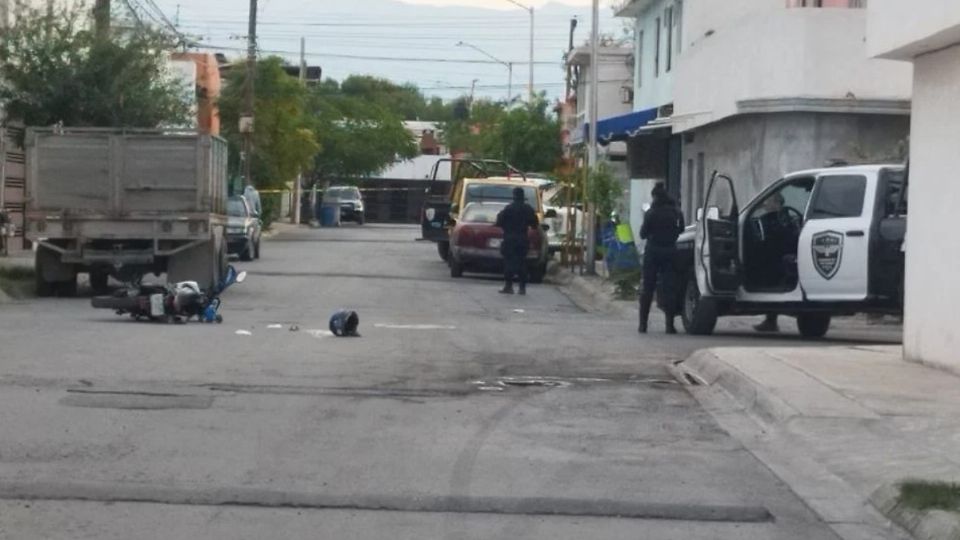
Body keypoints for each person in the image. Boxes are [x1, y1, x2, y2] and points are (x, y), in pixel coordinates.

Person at [639, 183, 684, 334]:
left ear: (655, 197)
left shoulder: (651, 213)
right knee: (670, 288)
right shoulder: (676, 212)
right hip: (670, 251)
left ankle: (643, 324)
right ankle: (669, 325)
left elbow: (643, 234)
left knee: (648, 288)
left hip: (653, 251)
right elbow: (681, 230)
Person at [495, 187, 539, 295]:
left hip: (509, 239)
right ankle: (522, 288)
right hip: (522, 239)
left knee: (509, 262)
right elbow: (534, 224)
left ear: (514, 196)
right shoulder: (528, 209)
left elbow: (499, 222)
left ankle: (508, 286)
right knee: (522, 262)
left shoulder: (508, 209)